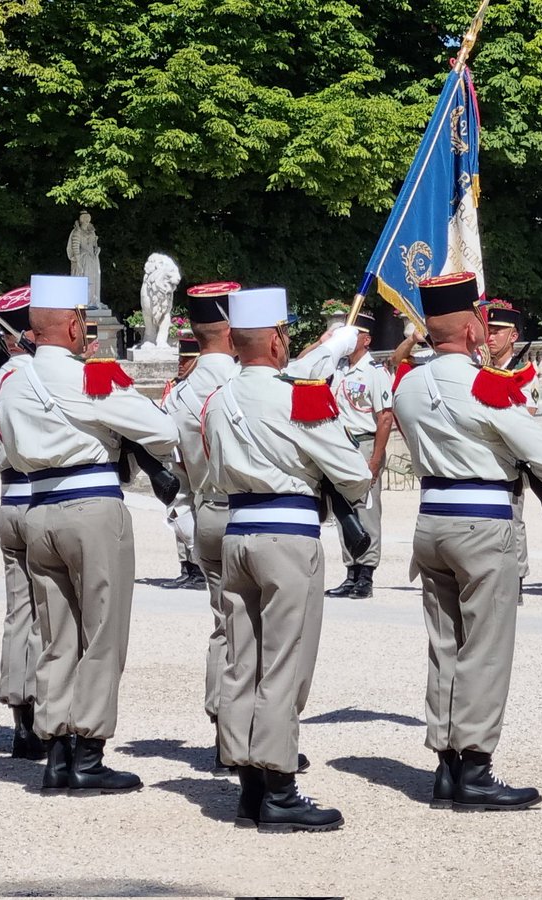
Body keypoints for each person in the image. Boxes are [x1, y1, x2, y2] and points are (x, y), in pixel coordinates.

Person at [0, 274, 178, 792]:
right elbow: (163, 431)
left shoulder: (11, 383)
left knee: (55, 634)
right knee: (102, 634)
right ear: (75, 324)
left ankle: (55, 750)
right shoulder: (90, 377)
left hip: (37, 506)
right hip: (92, 507)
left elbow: (5, 448)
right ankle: (89, 753)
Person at [393, 272, 542, 811]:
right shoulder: (486, 384)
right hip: (484, 522)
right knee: (484, 649)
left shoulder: (407, 384)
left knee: (444, 646)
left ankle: (445, 764)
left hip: (431, 520)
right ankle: (475, 769)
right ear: (472, 330)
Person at [203, 286, 369, 833]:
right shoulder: (300, 395)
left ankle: (248, 785)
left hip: (237, 533)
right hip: (288, 537)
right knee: (283, 664)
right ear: (276, 340)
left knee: (241, 658)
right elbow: (354, 471)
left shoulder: (218, 397)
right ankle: (279, 786)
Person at [161, 282, 240, 768]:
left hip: (207, 514)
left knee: (223, 627)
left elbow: (173, 467)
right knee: (266, 631)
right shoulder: (254, 382)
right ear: (233, 328)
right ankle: (255, 734)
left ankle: (221, 728)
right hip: (254, 512)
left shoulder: (179, 394)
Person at [0, 286, 44, 759]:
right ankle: (52, 718)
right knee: (57, 615)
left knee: (20, 613)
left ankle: (22, 721)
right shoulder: (41, 379)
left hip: (9, 500)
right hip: (46, 498)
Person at [325, 311, 394, 600]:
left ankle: (366, 572)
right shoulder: (338, 368)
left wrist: (376, 459)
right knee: (343, 510)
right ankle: (351, 569)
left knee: (366, 510)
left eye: (354, 335)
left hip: (364, 444)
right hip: (341, 445)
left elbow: (385, 418)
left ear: (366, 339)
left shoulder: (374, 371)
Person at [483, 302, 538, 598]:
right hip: (484, 455)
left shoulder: (523, 371)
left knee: (512, 518)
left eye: (498, 332)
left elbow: (527, 411)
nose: (490, 337)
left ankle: (516, 575)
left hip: (509, 456)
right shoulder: (482, 369)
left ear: (513, 335)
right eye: (489, 331)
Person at [164, 336, 206, 590]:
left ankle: (199, 566)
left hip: (193, 457)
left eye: (187, 359)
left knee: (194, 510)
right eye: (180, 359)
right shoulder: (175, 386)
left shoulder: (194, 389)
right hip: (176, 457)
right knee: (179, 509)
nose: (182, 364)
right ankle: (187, 565)